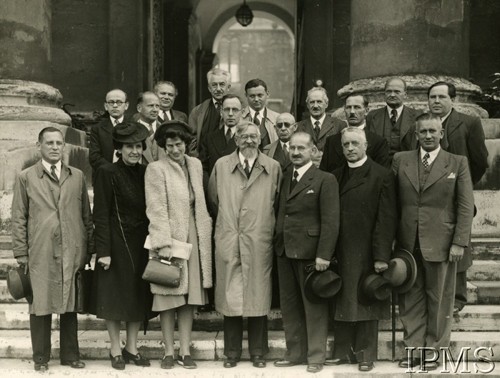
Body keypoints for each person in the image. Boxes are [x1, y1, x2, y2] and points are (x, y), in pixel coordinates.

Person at [393, 113, 474, 370]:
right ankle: (413, 350)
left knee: (439, 300)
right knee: (410, 300)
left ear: (441, 134)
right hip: (407, 243)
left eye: (433, 131)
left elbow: (465, 205)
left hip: (442, 242)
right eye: (423, 132)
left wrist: (460, 241)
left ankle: (434, 352)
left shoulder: (457, 162)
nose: (428, 135)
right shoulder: (400, 160)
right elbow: (390, 203)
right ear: (416, 135)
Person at [11, 127, 93, 372]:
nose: (55, 147)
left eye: (59, 143)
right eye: (49, 143)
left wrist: (88, 249)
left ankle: (70, 355)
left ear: (64, 147)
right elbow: (18, 218)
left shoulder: (77, 176)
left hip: (72, 249)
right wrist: (21, 253)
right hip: (40, 250)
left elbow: (86, 216)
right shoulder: (26, 177)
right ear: (39, 146)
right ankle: (40, 358)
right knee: (40, 303)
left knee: (69, 303)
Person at [208, 122, 282, 369]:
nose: (249, 141)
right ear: (236, 139)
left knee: (258, 296)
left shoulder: (273, 167)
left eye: (254, 136)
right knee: (231, 297)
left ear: (261, 139)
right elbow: (213, 200)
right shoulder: (221, 165)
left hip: (259, 239)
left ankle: (258, 353)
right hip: (230, 237)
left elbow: (278, 201)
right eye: (244, 136)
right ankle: (231, 353)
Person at [326, 127, 397, 372]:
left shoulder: (381, 175)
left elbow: (386, 219)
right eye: (346, 144)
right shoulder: (334, 176)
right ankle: (343, 351)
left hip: (367, 250)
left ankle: (366, 353)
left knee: (367, 298)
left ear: (365, 146)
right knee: (343, 300)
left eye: (355, 143)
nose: (350, 149)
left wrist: (381, 256)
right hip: (340, 249)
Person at [145, 120, 213, 370]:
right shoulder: (156, 169)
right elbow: (156, 207)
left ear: (187, 144)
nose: (175, 150)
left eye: (179, 144)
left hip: (194, 235)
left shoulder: (195, 165)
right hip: (171, 237)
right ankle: (169, 352)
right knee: (167, 295)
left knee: (189, 297)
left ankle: (185, 350)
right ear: (163, 147)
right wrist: (162, 242)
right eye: (170, 145)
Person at [274, 131, 340, 374]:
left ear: (313, 151)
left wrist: (323, 255)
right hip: (284, 251)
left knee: (314, 307)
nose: (295, 152)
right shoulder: (283, 176)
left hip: (311, 254)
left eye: (301, 148)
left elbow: (331, 221)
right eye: (292, 148)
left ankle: (315, 356)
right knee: (290, 307)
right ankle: (295, 353)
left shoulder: (325, 179)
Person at [92, 121, 153, 370]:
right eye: (129, 147)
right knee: (115, 297)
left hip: (141, 244)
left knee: (137, 296)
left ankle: (132, 348)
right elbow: (101, 214)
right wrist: (103, 252)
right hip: (116, 244)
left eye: (138, 146)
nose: (135, 152)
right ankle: (115, 349)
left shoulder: (146, 171)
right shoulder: (107, 172)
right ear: (119, 149)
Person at [427, 81, 489, 314]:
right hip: (428, 196)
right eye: (432, 97)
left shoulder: (469, 122)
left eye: (442, 97)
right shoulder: (423, 123)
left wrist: (462, 186)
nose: (436, 101)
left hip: (456, 195)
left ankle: (457, 297)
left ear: (453, 100)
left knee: (458, 244)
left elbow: (480, 160)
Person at [320, 94, 390, 172]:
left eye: (357, 107)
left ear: (366, 111)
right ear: (344, 110)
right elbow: (324, 173)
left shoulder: (378, 142)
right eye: (348, 107)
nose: (352, 112)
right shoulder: (331, 141)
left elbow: (381, 175)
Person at [366, 77, 421, 161]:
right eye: (388, 91)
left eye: (397, 92)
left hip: (407, 165)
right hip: (379, 166)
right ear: (384, 93)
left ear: (405, 94)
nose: (392, 95)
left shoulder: (417, 116)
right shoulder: (372, 116)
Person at [89, 89, 129, 182]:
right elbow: (94, 156)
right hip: (104, 177)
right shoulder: (97, 128)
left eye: (119, 102)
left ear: (126, 105)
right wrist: (113, 170)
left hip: (128, 176)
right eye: (111, 102)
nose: (115, 105)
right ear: (106, 106)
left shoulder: (133, 126)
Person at [189, 68, 231, 153]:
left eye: (222, 84)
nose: (218, 89)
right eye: (214, 85)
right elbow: (191, 141)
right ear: (209, 88)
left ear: (228, 87)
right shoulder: (197, 111)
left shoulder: (239, 110)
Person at [296, 87, 342, 165]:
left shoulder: (339, 125)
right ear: (307, 105)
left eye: (319, 102)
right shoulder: (298, 127)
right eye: (312, 102)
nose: (315, 106)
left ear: (326, 104)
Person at [199, 94, 241, 180]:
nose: (230, 114)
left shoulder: (247, 139)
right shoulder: (209, 138)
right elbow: (203, 168)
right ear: (221, 112)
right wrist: (211, 189)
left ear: (242, 112)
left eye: (235, 110)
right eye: (226, 110)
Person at [241, 78, 279, 148]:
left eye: (260, 95)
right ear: (246, 95)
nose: (256, 99)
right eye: (252, 96)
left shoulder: (277, 119)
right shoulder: (239, 118)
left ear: (267, 94)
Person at [136, 91, 164, 163]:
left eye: (157, 106)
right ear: (139, 108)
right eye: (150, 106)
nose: (155, 110)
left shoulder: (166, 131)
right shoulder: (131, 131)